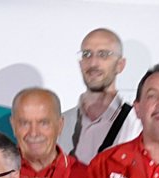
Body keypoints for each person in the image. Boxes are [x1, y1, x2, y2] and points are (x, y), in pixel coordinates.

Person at [60, 27, 141, 165]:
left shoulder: (136, 124)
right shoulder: (61, 123)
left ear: (120, 65)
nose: (93, 63)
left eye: (103, 55)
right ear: (80, 63)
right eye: (87, 54)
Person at [12, 86, 86, 178]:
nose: (33, 133)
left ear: (60, 125)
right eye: (24, 123)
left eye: (43, 123)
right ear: (13, 125)